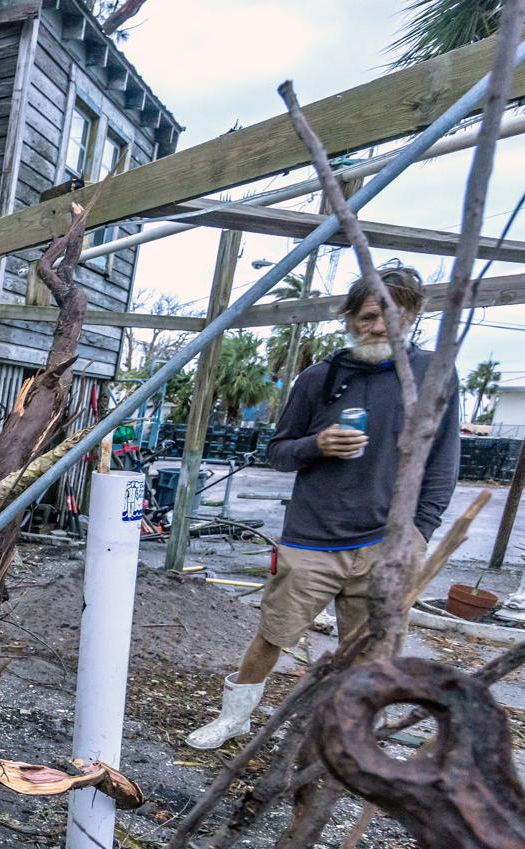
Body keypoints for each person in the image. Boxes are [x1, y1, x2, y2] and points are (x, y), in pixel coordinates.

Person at [186, 266, 461, 750]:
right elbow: (278, 451)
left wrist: (420, 532)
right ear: (350, 317)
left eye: (394, 318)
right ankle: (235, 719)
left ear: (415, 316)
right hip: (313, 538)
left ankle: (348, 734)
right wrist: (317, 445)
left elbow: (444, 461)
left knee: (367, 649)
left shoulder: (434, 375)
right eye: (370, 317)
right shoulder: (320, 378)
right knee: (273, 634)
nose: (380, 329)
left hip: (387, 541)